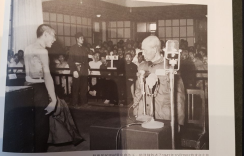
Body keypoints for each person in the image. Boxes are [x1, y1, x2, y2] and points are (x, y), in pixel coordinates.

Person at [133, 36, 185, 126]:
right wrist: (136, 109)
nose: (142, 54)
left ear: (154, 49)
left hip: (163, 116)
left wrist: (179, 121)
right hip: (144, 114)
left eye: (145, 50)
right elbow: (138, 90)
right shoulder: (142, 66)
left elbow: (179, 95)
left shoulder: (169, 67)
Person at [24, 24, 57, 152]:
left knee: (30, 127)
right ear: (45, 34)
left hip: (27, 88)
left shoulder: (27, 48)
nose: (54, 39)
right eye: (53, 36)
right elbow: (47, 76)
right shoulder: (43, 51)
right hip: (39, 90)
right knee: (41, 129)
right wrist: (54, 100)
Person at [68, 32, 89, 107]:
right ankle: (75, 103)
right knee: (76, 87)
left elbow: (86, 61)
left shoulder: (84, 49)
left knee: (84, 87)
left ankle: (84, 102)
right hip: (77, 69)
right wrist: (74, 70)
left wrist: (88, 69)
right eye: (81, 38)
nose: (83, 40)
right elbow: (70, 60)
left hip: (84, 70)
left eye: (83, 38)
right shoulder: (72, 48)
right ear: (77, 39)